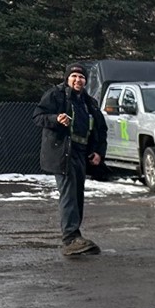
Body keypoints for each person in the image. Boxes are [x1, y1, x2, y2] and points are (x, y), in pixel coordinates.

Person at [34, 63, 107, 258]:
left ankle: (75, 236)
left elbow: (100, 130)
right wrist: (56, 119)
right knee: (68, 195)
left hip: (81, 153)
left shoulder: (89, 102)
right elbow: (38, 117)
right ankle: (70, 238)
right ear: (67, 78)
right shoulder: (56, 95)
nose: (78, 80)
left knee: (77, 195)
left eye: (81, 77)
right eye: (74, 76)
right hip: (62, 153)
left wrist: (98, 152)